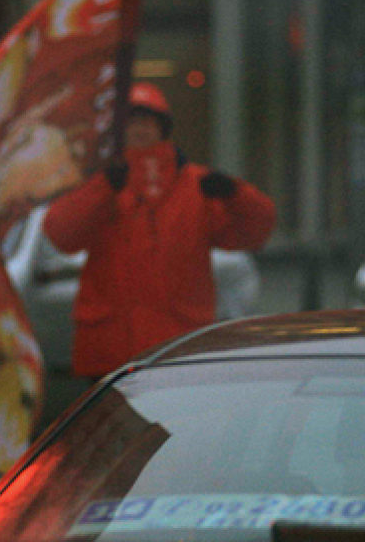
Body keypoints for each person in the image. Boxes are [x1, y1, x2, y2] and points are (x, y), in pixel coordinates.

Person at [42, 81, 277, 380]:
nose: (139, 129)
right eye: (131, 122)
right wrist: (101, 189)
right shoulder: (101, 183)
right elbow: (60, 234)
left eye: (147, 121)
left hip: (177, 351)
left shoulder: (197, 185)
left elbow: (256, 231)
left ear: (162, 129)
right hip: (113, 355)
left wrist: (236, 194)